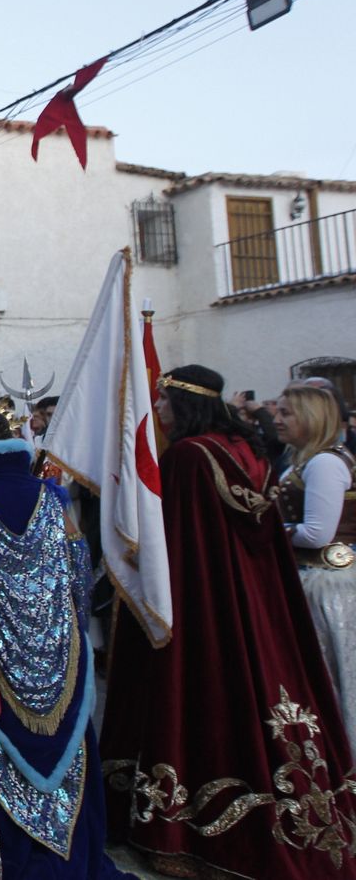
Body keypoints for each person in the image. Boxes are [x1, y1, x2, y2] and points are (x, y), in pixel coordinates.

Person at [100, 365, 356, 880]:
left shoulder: (191, 458)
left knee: (207, 698)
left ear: (187, 404)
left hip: (206, 601)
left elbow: (172, 540)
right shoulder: (248, 450)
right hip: (257, 597)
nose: (162, 413)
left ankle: (190, 826)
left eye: (166, 403)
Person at [0, 410, 129, 878]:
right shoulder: (54, 502)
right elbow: (79, 581)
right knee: (70, 745)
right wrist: (68, 634)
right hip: (59, 654)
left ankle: (5, 856)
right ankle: (69, 848)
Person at [274, 384, 356, 751]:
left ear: (310, 417)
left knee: (334, 675)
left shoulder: (324, 463)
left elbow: (317, 534)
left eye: (286, 413)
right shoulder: (304, 460)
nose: (277, 419)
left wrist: (267, 527)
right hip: (310, 579)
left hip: (327, 586)